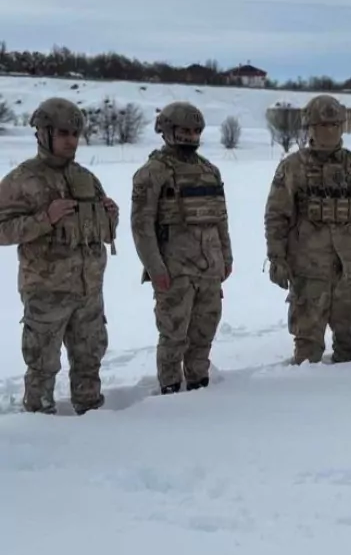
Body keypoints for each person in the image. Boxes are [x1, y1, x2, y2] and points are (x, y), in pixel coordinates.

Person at [0, 98, 119, 415]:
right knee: (42, 364)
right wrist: (45, 218)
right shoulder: (21, 180)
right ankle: (40, 425)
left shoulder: (86, 177)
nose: (71, 141)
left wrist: (109, 217)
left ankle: (92, 415)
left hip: (88, 291)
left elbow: (102, 233)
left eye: (76, 134)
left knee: (89, 359)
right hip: (46, 292)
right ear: (43, 133)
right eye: (64, 133)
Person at [264, 94, 351, 364]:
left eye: (334, 125)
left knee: (348, 340)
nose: (329, 131)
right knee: (308, 347)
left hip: (349, 269)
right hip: (308, 270)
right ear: (309, 129)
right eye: (322, 125)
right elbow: (276, 216)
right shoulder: (293, 168)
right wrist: (276, 258)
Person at [131, 101, 233, 394]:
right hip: (174, 271)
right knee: (174, 334)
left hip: (209, 267)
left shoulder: (209, 171)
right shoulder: (152, 173)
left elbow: (221, 219)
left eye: (195, 130)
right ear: (166, 130)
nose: (190, 136)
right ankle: (170, 388)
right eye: (184, 130)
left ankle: (199, 383)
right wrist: (155, 268)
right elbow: (142, 227)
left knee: (204, 332)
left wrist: (226, 257)